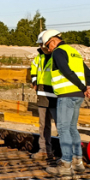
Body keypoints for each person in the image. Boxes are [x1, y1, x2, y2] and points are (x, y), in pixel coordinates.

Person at [41, 29, 90, 177]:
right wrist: (87, 87)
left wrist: (83, 87)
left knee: (63, 128)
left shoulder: (58, 52)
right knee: (72, 128)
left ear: (52, 41)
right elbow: (89, 73)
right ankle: (78, 162)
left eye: (48, 46)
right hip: (78, 96)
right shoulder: (74, 52)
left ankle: (65, 164)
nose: (48, 49)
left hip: (66, 95)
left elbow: (65, 71)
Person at [30, 31, 57, 162]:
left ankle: (66, 155)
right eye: (40, 45)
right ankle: (44, 150)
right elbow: (34, 70)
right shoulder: (38, 58)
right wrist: (34, 81)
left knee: (61, 126)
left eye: (43, 44)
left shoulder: (57, 56)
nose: (42, 47)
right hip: (42, 95)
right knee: (43, 125)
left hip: (56, 95)